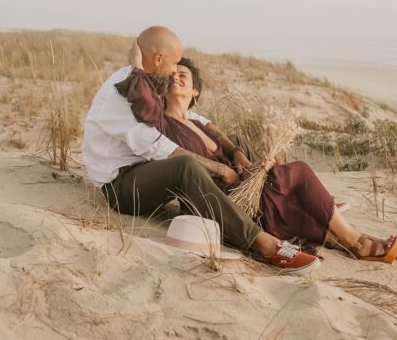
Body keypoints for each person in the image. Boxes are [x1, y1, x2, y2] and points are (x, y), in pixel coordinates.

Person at [117, 52, 397, 270]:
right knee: (297, 175)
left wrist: (243, 160)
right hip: (218, 199)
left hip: (242, 187)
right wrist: (137, 61)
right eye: (171, 75)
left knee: (294, 188)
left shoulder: (200, 122)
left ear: (196, 91)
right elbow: (151, 121)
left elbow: (229, 145)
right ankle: (362, 243)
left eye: (183, 74)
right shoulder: (159, 122)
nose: (176, 77)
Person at [82, 26, 322, 274]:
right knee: (185, 167)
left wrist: (232, 151)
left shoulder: (143, 80)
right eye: (175, 63)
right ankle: (261, 243)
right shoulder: (120, 93)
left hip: (145, 171)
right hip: (121, 187)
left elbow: (185, 116)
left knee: (226, 151)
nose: (176, 69)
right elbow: (158, 147)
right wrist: (219, 169)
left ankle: (288, 208)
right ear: (159, 59)